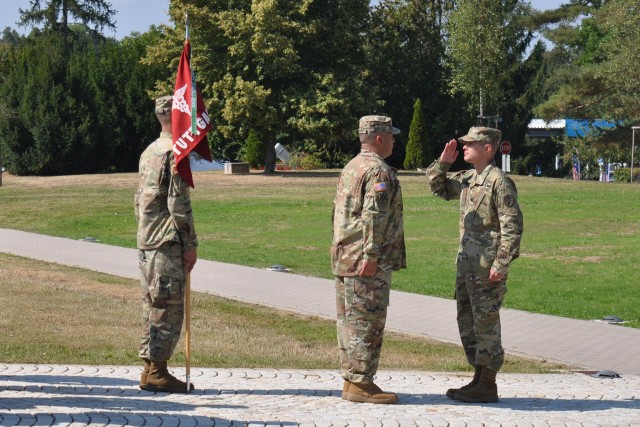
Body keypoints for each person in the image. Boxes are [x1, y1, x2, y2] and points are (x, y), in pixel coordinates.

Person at [426, 127, 523, 403]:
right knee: (468, 321)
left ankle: (488, 383)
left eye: (471, 143)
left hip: (486, 267)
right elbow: (438, 187)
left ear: (488, 148)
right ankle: (479, 378)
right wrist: (443, 163)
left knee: (486, 322)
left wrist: (501, 264)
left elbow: (512, 227)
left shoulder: (499, 182)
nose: (464, 146)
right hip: (467, 265)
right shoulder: (470, 179)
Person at [331, 115, 406, 404]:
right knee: (367, 321)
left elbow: (339, 213)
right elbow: (374, 216)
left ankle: (352, 380)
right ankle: (362, 382)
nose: (394, 140)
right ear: (380, 138)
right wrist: (372, 254)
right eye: (391, 135)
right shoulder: (378, 172)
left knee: (349, 321)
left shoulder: (352, 166)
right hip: (365, 260)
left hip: (345, 256)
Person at [134, 95, 198, 393]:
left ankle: (151, 368)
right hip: (166, 240)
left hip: (148, 239)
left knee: (153, 303)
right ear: (176, 116)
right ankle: (157, 370)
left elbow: (139, 199)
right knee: (168, 306)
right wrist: (190, 243)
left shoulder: (150, 151)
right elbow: (178, 203)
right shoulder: (175, 152)